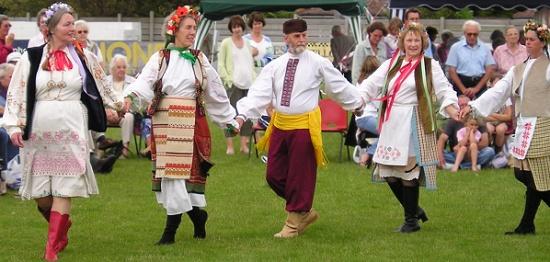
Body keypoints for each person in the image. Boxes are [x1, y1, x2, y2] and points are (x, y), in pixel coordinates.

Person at [2, 3, 123, 261]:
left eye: (74, 24)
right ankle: (61, 227)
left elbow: (103, 83)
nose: (74, 29)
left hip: (71, 127)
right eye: (68, 24)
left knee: (64, 189)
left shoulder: (83, 57)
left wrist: (119, 105)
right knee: (42, 196)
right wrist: (13, 126)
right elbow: (16, 93)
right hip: (39, 132)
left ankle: (51, 249)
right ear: (52, 28)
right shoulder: (31, 57)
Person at [236, 19, 365, 238]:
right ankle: (304, 210)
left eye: (304, 35)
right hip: (280, 126)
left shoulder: (318, 62)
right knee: (273, 176)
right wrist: (242, 115)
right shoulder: (274, 65)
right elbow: (259, 93)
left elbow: (338, 85)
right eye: (297, 36)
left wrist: (357, 104)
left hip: (305, 127)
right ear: (286, 38)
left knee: (300, 176)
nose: (302, 40)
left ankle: (293, 223)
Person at [124, 5, 239, 244]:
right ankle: (197, 217)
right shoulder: (161, 58)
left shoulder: (199, 59)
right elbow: (144, 82)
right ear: (174, 30)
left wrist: (228, 120)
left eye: (194, 28)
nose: (192, 32)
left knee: (181, 177)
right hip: (165, 122)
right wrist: (130, 97)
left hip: (190, 122)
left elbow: (215, 92)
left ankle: (170, 233)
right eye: (188, 27)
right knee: (171, 177)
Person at [358, 23, 459, 233]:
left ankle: (411, 221)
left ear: (423, 42)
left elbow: (444, 91)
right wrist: (356, 99)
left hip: (414, 121)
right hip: (391, 121)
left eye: (417, 40)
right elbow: (371, 84)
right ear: (402, 42)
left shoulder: (430, 65)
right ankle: (414, 209)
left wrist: (453, 110)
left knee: (408, 171)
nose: (413, 44)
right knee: (388, 172)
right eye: (409, 40)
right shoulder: (392, 63)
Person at [460, 21, 550, 235]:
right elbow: (498, 92)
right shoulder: (518, 69)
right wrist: (473, 107)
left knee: (535, 176)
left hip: (544, 125)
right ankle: (527, 224)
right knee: (524, 173)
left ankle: (527, 225)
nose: (526, 43)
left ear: (542, 42)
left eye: (531, 40)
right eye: (525, 39)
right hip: (525, 125)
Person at [218, 15, 256, 155]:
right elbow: (221, 64)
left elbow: (250, 63)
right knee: (231, 115)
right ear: (231, 29)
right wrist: (228, 79)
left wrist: (254, 80)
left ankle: (243, 145)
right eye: (234, 27)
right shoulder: (226, 43)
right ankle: (230, 145)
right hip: (233, 85)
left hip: (248, 84)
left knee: (246, 115)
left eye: (239, 26)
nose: (237, 29)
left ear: (242, 27)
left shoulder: (247, 42)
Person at [437, 95, 495, 170]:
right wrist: (440, 155)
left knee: (490, 152)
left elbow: (485, 143)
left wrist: (470, 149)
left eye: (466, 105)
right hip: (457, 154)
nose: (464, 107)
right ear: (457, 107)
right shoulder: (453, 121)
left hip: (474, 154)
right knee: (436, 153)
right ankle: (472, 166)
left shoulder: (478, 120)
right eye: (461, 105)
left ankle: (459, 166)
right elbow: (442, 138)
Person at [446, 20, 495, 99]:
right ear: (464, 33)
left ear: (478, 34)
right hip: (460, 83)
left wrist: (477, 89)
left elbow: (489, 70)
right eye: (469, 34)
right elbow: (452, 71)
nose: (472, 37)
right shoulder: (455, 48)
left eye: (475, 34)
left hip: (480, 83)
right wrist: (463, 89)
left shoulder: (485, 48)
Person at [106, 54, 136, 157]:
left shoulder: (133, 82)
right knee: (95, 116)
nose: (122, 70)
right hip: (107, 113)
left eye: (124, 67)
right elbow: (100, 99)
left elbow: (135, 102)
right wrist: (107, 111)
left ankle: (125, 149)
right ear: (112, 68)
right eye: (118, 67)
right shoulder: (104, 81)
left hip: (124, 112)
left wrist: (123, 111)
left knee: (129, 117)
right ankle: (98, 149)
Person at [355, 55, 380, 166]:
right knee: (389, 132)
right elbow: (377, 103)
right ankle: (368, 153)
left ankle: (369, 149)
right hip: (368, 117)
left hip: (361, 118)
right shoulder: (372, 83)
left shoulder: (359, 81)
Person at [0, 63, 18, 171]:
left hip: (10, 121)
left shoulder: (15, 89)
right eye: (11, 76)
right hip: (3, 123)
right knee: (4, 134)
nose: (15, 78)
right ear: (1, 78)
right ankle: (4, 172)